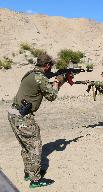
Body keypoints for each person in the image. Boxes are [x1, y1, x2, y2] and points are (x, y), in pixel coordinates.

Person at [7, 53, 65, 188]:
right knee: (35, 147)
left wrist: (55, 81)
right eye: (51, 66)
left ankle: (29, 172)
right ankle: (35, 180)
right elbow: (52, 96)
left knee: (26, 146)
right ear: (47, 65)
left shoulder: (30, 73)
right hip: (24, 117)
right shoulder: (40, 78)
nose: (51, 68)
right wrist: (58, 82)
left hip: (14, 113)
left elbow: (40, 87)